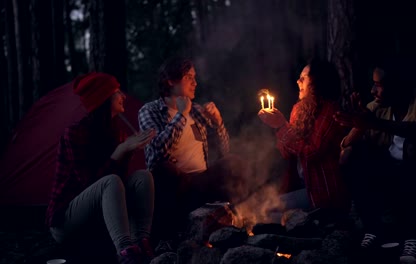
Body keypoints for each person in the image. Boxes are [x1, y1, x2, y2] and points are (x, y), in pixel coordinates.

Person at [334, 58, 416, 263]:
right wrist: (359, 124)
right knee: (351, 154)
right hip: (391, 180)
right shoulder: (377, 107)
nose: (372, 91)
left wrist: (374, 123)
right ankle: (373, 228)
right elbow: (345, 147)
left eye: (378, 85)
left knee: (414, 146)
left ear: (398, 86)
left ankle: (415, 237)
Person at [45, 72, 156, 264]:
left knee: (142, 176)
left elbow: (117, 187)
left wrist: (127, 151)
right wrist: (119, 152)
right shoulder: (75, 133)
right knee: (110, 181)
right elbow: (89, 183)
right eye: (117, 92)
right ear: (104, 98)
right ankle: (125, 251)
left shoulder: (116, 132)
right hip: (66, 220)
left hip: (96, 216)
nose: (123, 96)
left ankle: (141, 242)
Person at [138, 57, 241, 242]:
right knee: (164, 169)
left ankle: (236, 222)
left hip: (201, 180)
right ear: (171, 81)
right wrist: (181, 115)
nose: (195, 82)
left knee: (233, 162)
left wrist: (218, 124)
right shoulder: (150, 111)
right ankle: (171, 235)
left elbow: (223, 151)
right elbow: (158, 152)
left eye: (195, 77)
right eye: (188, 77)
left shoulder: (197, 111)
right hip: (175, 185)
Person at [257, 59, 350, 218]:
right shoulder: (298, 110)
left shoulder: (330, 112)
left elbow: (312, 152)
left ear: (317, 83)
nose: (298, 81)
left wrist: (281, 127)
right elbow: (288, 153)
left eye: (303, 78)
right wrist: (278, 126)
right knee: (261, 205)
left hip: (323, 194)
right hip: (303, 186)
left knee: (269, 213)